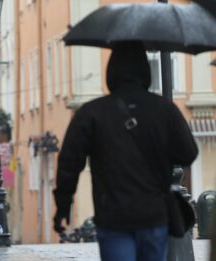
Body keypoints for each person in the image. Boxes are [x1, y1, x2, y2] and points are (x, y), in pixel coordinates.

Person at [53, 42, 198, 261]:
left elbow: (69, 163)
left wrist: (63, 206)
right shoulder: (164, 110)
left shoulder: (92, 113)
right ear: (145, 71)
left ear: (111, 72)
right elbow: (188, 153)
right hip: (154, 215)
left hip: (113, 217)